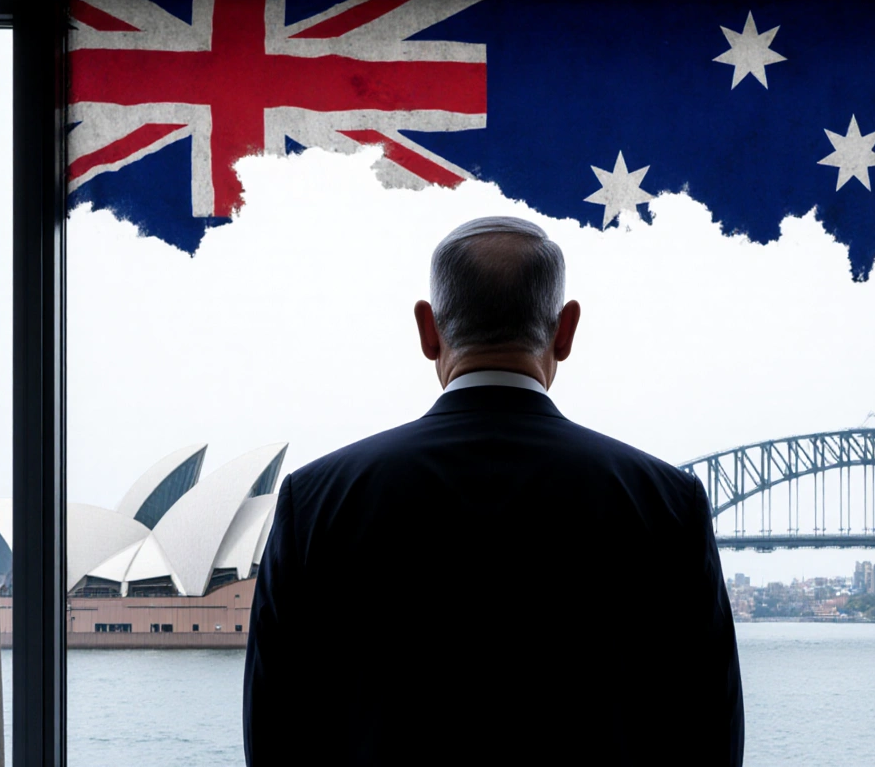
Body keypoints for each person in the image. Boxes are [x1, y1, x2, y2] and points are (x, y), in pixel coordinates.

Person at [243, 216, 744, 765]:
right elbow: (710, 743)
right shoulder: (668, 504)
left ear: (428, 331)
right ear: (566, 329)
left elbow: (274, 742)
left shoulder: (313, 502)